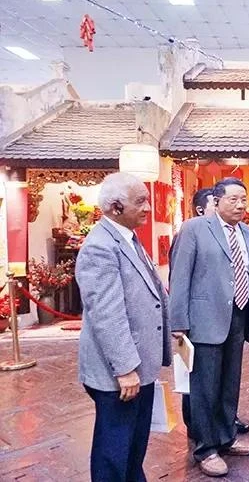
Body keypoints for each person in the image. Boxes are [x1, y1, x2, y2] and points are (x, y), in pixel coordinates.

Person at [75, 172, 171, 482]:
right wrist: (125, 369)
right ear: (116, 206)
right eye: (140, 202)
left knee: (133, 447)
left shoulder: (127, 237)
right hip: (118, 373)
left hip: (137, 367)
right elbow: (107, 313)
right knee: (113, 454)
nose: (148, 208)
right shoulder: (100, 247)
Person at [168, 177, 249, 477]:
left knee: (229, 383)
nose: (240, 205)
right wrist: (178, 321)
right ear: (217, 200)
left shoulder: (247, 233)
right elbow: (180, 276)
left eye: (244, 199)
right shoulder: (195, 229)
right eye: (233, 199)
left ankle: (225, 437)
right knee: (204, 387)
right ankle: (205, 449)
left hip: (238, 315)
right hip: (204, 319)